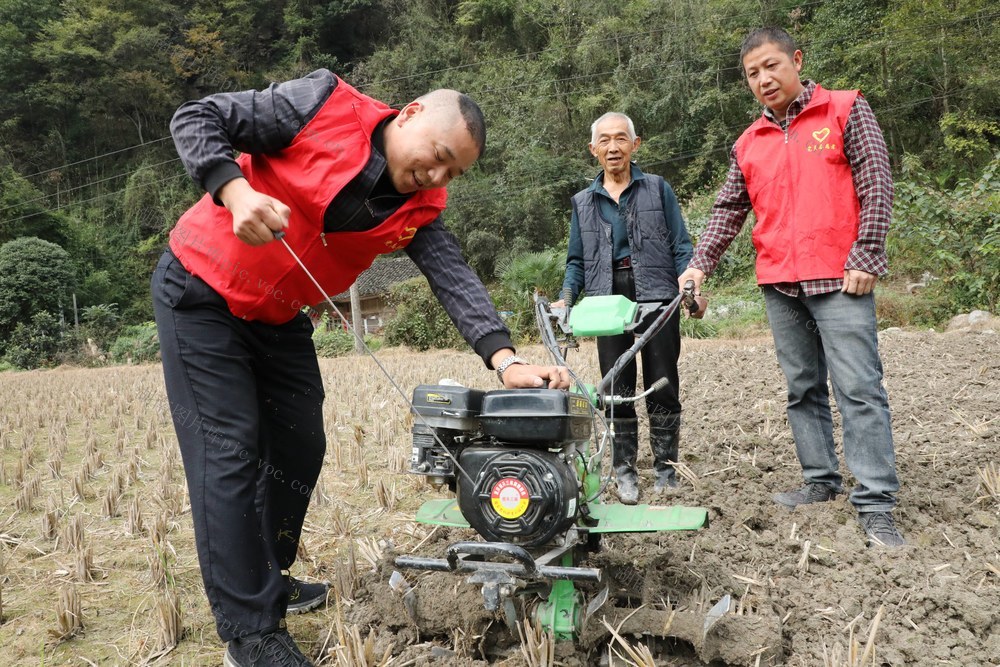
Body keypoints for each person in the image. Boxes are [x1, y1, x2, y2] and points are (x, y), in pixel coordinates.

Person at [153, 69, 571, 666]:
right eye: (438, 157)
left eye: (453, 173)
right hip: (201, 291)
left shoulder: (422, 206)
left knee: (302, 444)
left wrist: (506, 361)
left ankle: (268, 572)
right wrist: (233, 189)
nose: (437, 176)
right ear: (409, 113)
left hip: (279, 316)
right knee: (232, 451)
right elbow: (196, 117)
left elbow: (452, 276)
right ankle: (249, 633)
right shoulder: (321, 106)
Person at [677, 28, 905, 548]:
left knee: (859, 391)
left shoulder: (845, 109)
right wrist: (698, 265)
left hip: (840, 278)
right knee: (802, 390)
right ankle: (821, 481)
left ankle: (875, 503)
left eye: (772, 66)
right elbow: (728, 209)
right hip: (780, 282)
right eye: (753, 74)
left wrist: (868, 253)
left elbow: (877, 181)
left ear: (796, 60)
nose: (764, 79)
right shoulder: (748, 142)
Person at [555, 112, 696, 505]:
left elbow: (681, 244)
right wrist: (567, 297)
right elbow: (576, 262)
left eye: (621, 139)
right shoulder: (583, 202)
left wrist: (690, 283)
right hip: (605, 297)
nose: (613, 147)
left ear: (636, 145)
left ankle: (667, 469)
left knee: (662, 379)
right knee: (615, 386)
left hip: (657, 289)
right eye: (605, 140)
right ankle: (625, 471)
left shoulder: (657, 189)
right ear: (593, 150)